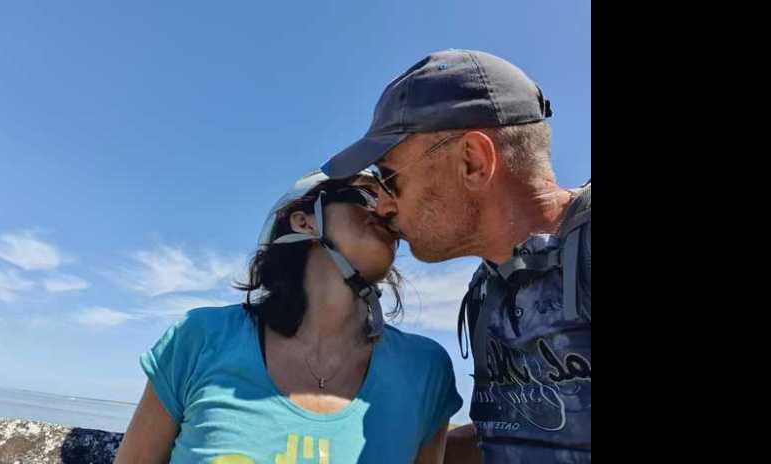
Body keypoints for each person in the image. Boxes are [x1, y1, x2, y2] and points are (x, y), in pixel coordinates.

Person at [321, 49, 591, 464]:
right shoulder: (489, 285)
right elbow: (510, 436)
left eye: (389, 179)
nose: (383, 206)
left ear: (473, 161)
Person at [115, 170, 464, 463]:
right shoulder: (199, 338)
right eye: (367, 195)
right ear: (304, 220)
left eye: (394, 201)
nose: (388, 209)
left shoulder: (426, 369)